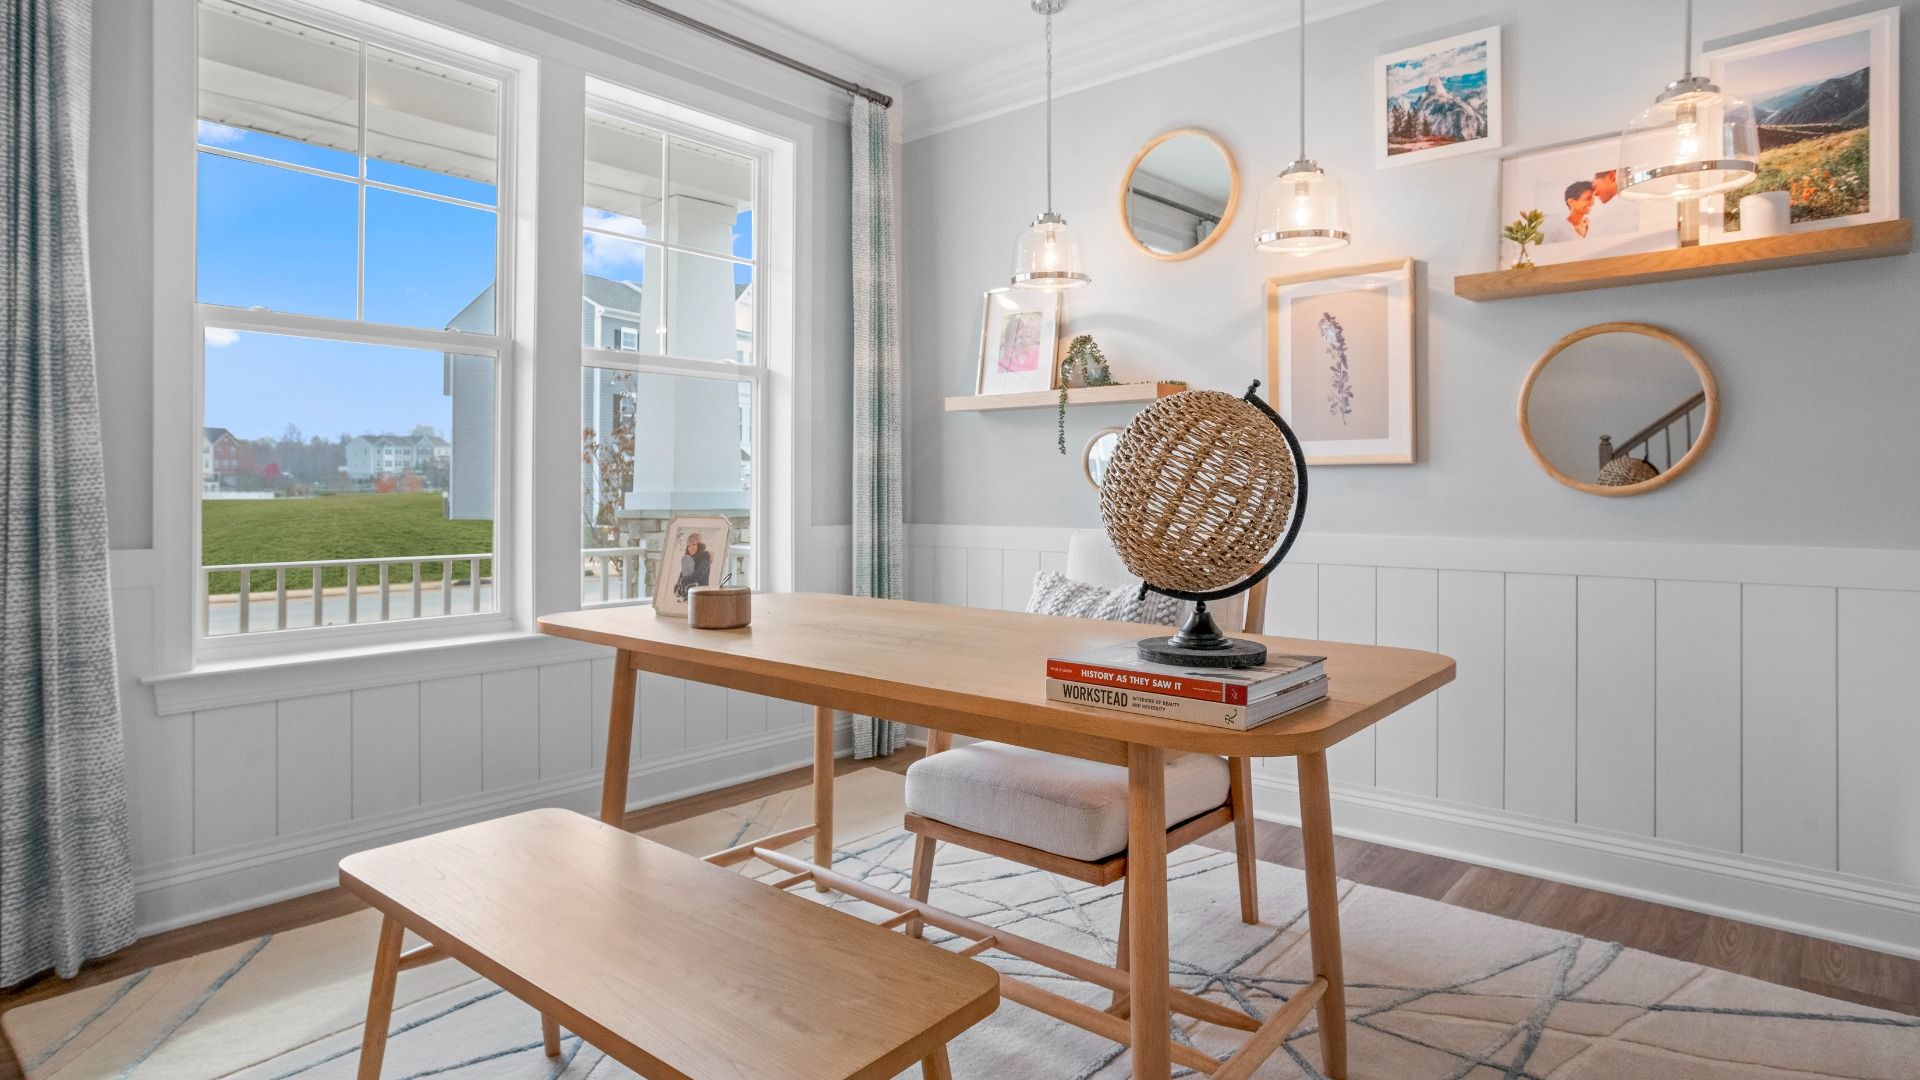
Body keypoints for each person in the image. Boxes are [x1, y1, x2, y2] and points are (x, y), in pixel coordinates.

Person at [1586, 169, 1638, 236]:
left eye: (1595, 187)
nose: (1595, 193)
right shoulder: (1626, 205)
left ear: (1611, 176)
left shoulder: (1621, 207)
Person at [672, 531, 713, 601]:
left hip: (701, 593)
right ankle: (684, 594)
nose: (691, 548)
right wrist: (678, 585)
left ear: (699, 545)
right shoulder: (689, 560)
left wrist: (684, 580)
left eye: (694, 544)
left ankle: (686, 593)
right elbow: (682, 574)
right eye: (689, 546)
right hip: (690, 593)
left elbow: (699, 573)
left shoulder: (705, 557)